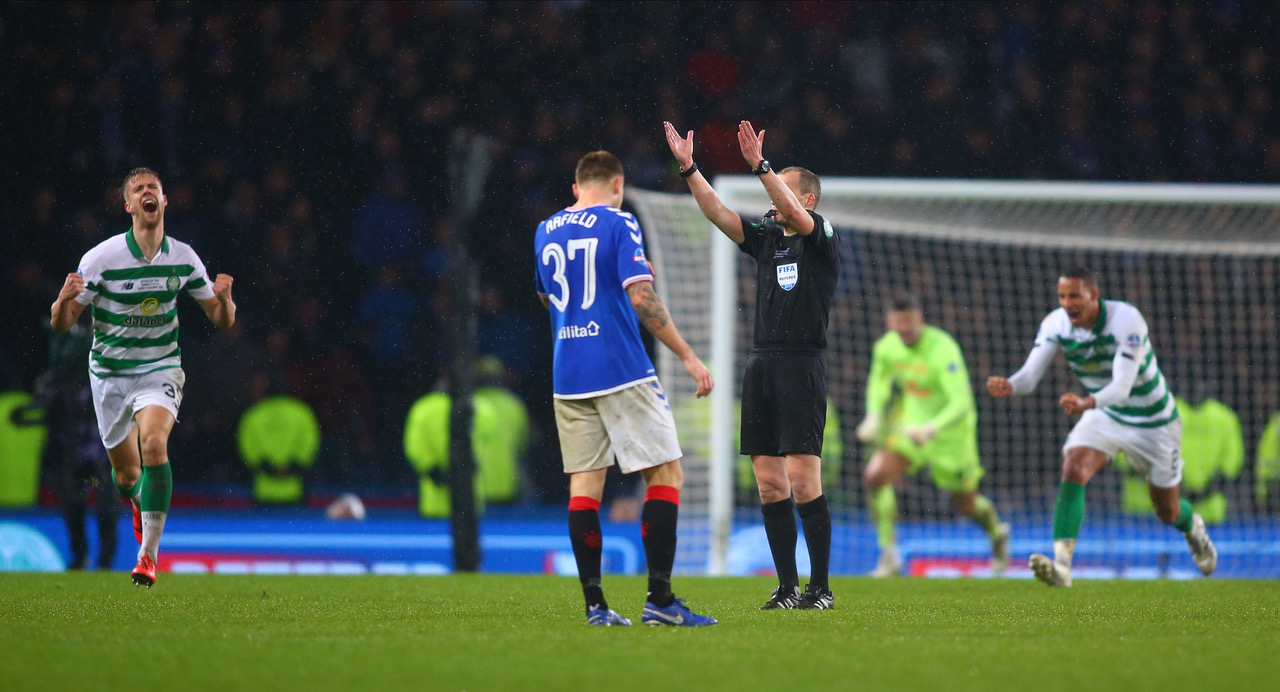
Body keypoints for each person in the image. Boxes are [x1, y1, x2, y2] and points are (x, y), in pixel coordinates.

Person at [534, 150, 716, 627]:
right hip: (620, 368)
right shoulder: (620, 223)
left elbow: (546, 297)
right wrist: (687, 355)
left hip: (568, 372)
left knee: (585, 487)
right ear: (618, 186)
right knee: (666, 475)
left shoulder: (544, 229)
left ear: (576, 187)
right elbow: (640, 296)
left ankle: (596, 607)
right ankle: (660, 600)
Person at [665, 120, 839, 610]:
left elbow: (797, 217)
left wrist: (761, 166)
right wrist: (689, 168)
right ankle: (786, 588)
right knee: (768, 482)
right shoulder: (767, 240)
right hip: (761, 364)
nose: (773, 193)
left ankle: (820, 588)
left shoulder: (820, 237)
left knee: (805, 480)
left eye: (784, 186)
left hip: (802, 365)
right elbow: (717, 212)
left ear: (806, 200)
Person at [50, 167, 236, 587]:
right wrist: (62, 301)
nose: (147, 191)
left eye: (154, 187)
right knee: (126, 477)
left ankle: (147, 558)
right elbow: (63, 324)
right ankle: (139, 501)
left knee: (154, 445)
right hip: (110, 376)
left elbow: (221, 319)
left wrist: (226, 301)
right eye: (139, 189)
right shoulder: (101, 259)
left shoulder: (183, 257)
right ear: (129, 206)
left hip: (160, 368)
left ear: (164, 202)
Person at [987, 268, 1216, 587]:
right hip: (1105, 413)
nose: (1067, 304)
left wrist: (1086, 403)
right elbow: (1029, 375)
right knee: (1074, 467)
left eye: (1075, 296)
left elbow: (1122, 385)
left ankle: (1194, 531)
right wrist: (1010, 385)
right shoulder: (1056, 325)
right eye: (1062, 296)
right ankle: (1062, 567)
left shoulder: (1127, 320)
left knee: (1167, 510)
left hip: (1152, 421)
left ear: (1094, 295)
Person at [856, 292, 1010, 577]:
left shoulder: (943, 349)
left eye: (909, 323)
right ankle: (889, 555)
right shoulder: (886, 347)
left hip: (950, 433)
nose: (903, 329)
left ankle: (997, 533)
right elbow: (878, 383)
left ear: (920, 321)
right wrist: (874, 416)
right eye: (898, 323)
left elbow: (961, 403)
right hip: (911, 427)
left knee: (964, 504)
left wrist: (932, 428)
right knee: (875, 477)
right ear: (890, 322)